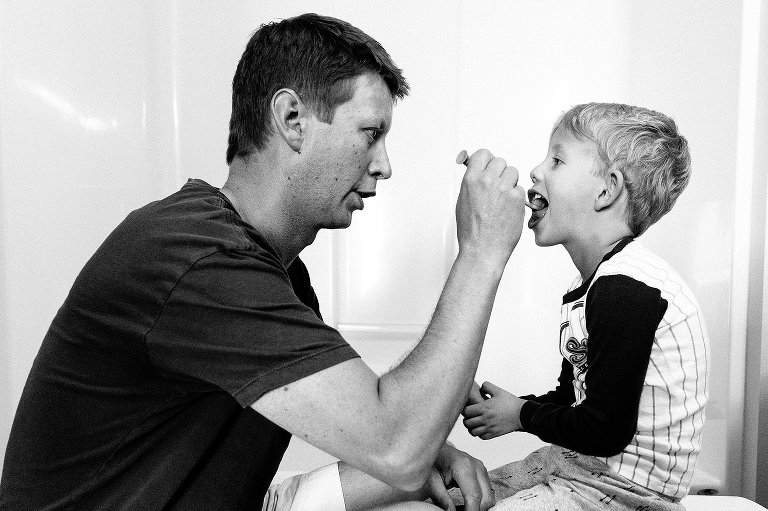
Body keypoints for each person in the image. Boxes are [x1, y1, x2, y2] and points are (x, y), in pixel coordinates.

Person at [0, 13, 525, 511]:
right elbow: (397, 445)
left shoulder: (277, 276)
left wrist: (431, 452)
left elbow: (365, 430)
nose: (384, 166)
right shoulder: (197, 259)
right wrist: (481, 252)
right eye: (371, 133)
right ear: (292, 119)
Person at [460, 103, 709, 511]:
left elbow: (605, 429)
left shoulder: (626, 291)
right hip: (584, 465)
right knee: (460, 497)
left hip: (628, 492)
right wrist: (504, 409)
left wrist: (521, 415)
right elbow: (572, 397)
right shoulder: (590, 287)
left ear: (606, 190)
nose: (535, 170)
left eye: (556, 160)